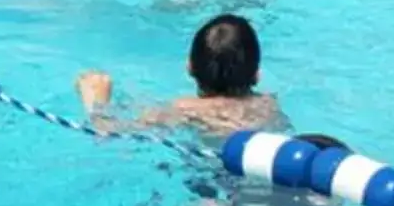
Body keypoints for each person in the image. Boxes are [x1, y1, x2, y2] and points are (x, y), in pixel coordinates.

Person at [75, 10, 285, 134]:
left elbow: (107, 132)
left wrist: (97, 102)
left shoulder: (185, 110)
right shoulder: (269, 106)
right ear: (257, 74)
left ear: (189, 67)